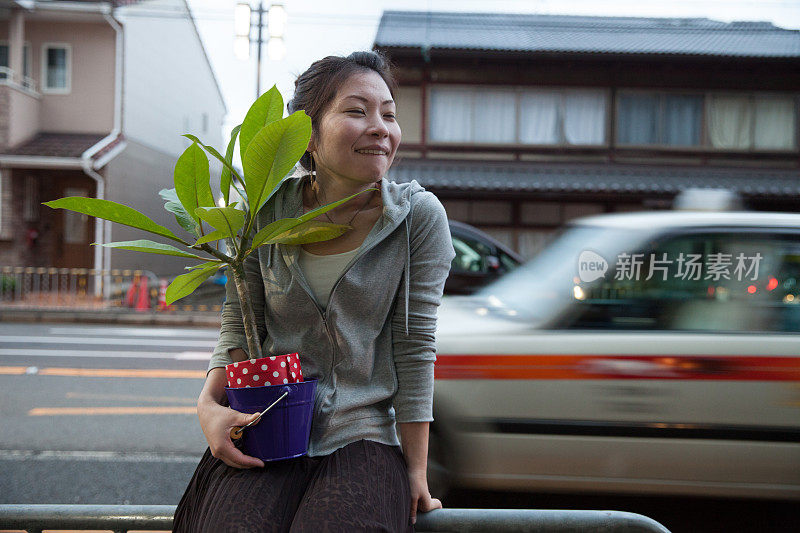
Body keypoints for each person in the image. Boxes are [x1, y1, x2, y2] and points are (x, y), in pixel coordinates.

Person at [173, 50, 455, 532]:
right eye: (356, 111)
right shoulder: (263, 212)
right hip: (267, 423)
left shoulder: (417, 219)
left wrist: (415, 471)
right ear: (306, 134)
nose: (380, 127)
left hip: (363, 437)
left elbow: (415, 348)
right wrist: (208, 407)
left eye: (389, 113)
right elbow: (240, 324)